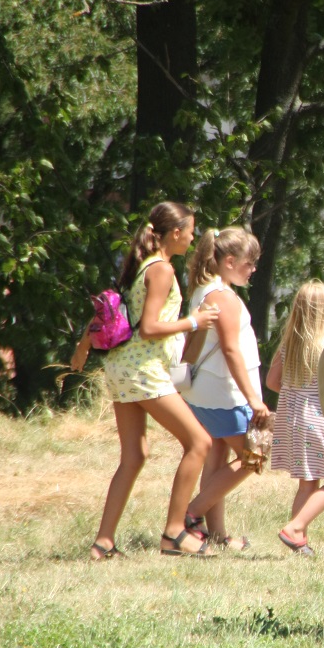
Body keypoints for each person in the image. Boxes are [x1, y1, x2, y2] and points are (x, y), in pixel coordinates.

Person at [71, 201, 221, 559]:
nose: (192, 237)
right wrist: (194, 321)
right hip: (142, 371)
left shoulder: (147, 266)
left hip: (122, 369)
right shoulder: (163, 271)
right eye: (190, 230)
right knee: (200, 442)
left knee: (134, 455)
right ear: (174, 233)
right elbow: (151, 328)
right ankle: (173, 533)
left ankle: (103, 543)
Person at [179, 227, 272, 550]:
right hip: (224, 393)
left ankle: (218, 535)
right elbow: (232, 351)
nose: (254, 269)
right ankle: (191, 514)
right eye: (250, 263)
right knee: (254, 455)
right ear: (230, 261)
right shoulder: (224, 298)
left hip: (203, 391)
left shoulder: (204, 290)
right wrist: (254, 400)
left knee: (217, 460)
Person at [266, 280, 324, 556]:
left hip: (291, 421)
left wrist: (294, 390)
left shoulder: (289, 344)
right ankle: (295, 528)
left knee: (307, 482)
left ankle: (298, 543)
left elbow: (272, 382)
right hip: (319, 421)